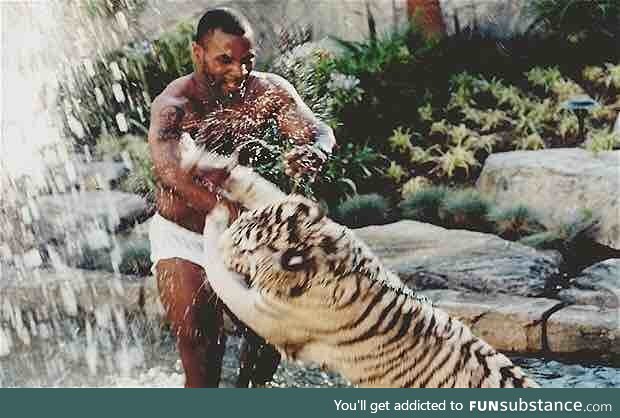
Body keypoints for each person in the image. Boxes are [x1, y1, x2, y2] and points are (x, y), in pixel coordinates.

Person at [147, 8, 336, 388]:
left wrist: (315, 150)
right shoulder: (174, 106)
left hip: (248, 239)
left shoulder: (267, 92)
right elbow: (170, 172)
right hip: (185, 239)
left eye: (247, 59)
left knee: (267, 338)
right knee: (202, 353)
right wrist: (224, 208)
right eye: (225, 60)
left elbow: (317, 130)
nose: (239, 70)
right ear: (197, 54)